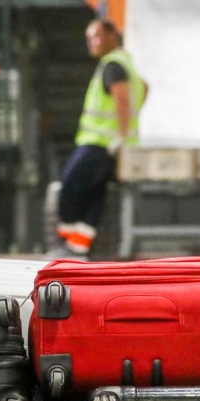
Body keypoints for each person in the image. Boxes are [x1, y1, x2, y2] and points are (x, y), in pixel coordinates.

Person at [48, 18, 148, 260]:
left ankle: (69, 246)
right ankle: (78, 249)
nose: (91, 42)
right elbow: (145, 88)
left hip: (99, 145)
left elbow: (122, 98)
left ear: (112, 35)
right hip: (109, 147)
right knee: (94, 196)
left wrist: (121, 135)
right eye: (88, 38)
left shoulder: (113, 65)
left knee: (70, 190)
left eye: (95, 36)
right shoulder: (126, 63)